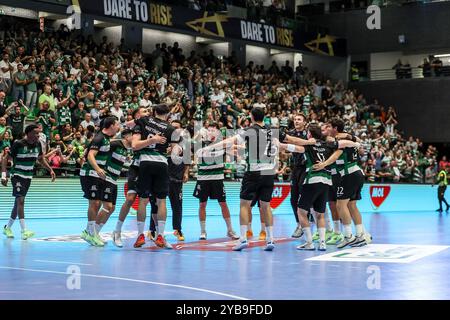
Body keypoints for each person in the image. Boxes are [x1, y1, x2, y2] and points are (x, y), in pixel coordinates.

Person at [205, 108, 281, 251]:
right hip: (269, 173)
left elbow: (229, 140)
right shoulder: (271, 131)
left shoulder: (250, 130)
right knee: (266, 205)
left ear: (251, 117)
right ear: (264, 117)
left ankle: (243, 238)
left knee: (244, 205)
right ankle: (270, 239)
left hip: (254, 172)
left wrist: (211, 147)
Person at [282, 123, 359, 251]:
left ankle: (309, 243)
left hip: (312, 180)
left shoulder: (308, 145)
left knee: (301, 212)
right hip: (326, 182)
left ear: (310, 134)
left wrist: (279, 144)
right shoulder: (327, 145)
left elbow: (293, 147)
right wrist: (355, 143)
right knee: (320, 214)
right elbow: (344, 144)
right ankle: (322, 243)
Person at [313, 118, 372, 249]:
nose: (326, 130)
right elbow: (357, 142)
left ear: (335, 128)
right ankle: (360, 235)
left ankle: (348, 236)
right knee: (352, 206)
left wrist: (323, 164)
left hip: (349, 174)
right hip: (356, 173)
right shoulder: (349, 139)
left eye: (328, 127)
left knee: (341, 205)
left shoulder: (340, 141)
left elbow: (336, 154)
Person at [131, 104, 180, 249]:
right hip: (161, 163)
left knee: (143, 200)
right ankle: (160, 236)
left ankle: (140, 235)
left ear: (154, 112)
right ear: (168, 114)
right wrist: (174, 150)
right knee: (161, 201)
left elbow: (134, 145)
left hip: (145, 161)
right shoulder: (171, 129)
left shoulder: (145, 121)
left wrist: (151, 141)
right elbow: (176, 150)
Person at [2, 124, 56, 239]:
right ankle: (24, 230)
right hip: (17, 174)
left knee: (17, 203)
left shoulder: (38, 144)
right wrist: (3, 175)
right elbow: (6, 158)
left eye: (39, 133)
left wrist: (50, 169)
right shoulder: (18, 143)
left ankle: (7, 228)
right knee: (21, 200)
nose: (38, 135)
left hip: (28, 177)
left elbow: (41, 159)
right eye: (36, 133)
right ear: (29, 133)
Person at [193, 122, 239, 240]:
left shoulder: (223, 144)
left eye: (213, 130)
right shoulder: (200, 143)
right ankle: (203, 231)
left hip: (218, 179)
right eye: (209, 130)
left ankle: (230, 230)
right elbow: (195, 152)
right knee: (202, 204)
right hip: (203, 179)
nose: (211, 132)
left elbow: (235, 152)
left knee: (223, 203)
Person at [79, 116, 120, 246]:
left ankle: (89, 232)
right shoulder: (99, 138)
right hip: (89, 173)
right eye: (117, 124)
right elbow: (91, 155)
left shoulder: (106, 139)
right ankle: (91, 233)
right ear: (111, 125)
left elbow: (86, 151)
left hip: (97, 175)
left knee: (97, 204)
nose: (118, 127)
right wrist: (98, 169)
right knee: (95, 203)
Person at [149, 119, 190, 242]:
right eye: (172, 127)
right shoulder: (163, 140)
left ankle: (178, 229)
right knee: (155, 204)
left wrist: (186, 172)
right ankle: (152, 230)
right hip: (161, 176)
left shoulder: (185, 143)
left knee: (177, 205)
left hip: (176, 178)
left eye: (177, 127)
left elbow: (187, 159)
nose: (174, 129)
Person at [286, 114, 308, 238]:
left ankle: (306, 222)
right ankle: (299, 224)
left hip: (307, 168)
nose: (296, 121)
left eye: (299, 119)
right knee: (293, 199)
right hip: (296, 169)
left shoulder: (308, 134)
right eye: (295, 119)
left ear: (304, 122)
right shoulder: (290, 133)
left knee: (304, 196)